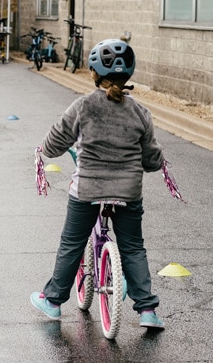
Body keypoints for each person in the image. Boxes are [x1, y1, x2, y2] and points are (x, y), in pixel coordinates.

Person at [29, 39, 167, 330]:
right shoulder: (140, 112)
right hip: (128, 192)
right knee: (133, 248)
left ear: (93, 73)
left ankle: (53, 302)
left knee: (72, 244)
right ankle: (148, 311)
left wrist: (44, 149)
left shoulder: (83, 106)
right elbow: (152, 160)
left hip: (88, 190)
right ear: (128, 75)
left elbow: (54, 143)